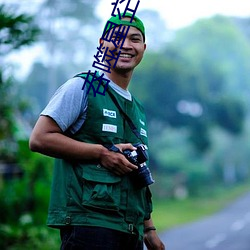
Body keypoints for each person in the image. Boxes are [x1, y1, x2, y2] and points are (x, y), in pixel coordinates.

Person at [29, 12, 165, 250]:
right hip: (89, 225)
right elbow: (39, 138)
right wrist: (102, 153)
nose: (126, 45)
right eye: (117, 37)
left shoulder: (138, 108)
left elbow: (137, 170)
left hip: (130, 229)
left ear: (143, 47)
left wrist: (149, 228)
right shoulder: (82, 87)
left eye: (134, 39)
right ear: (103, 45)